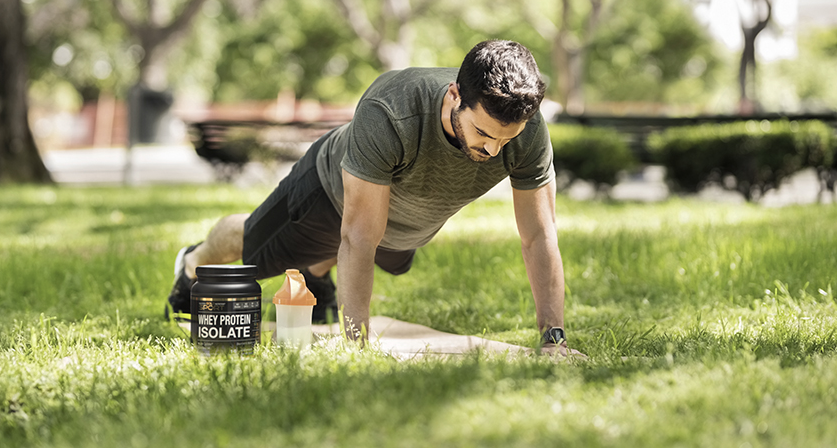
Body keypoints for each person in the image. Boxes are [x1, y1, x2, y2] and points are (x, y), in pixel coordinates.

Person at [168, 39, 583, 357]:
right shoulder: (391, 110)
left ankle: (317, 274)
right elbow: (358, 237)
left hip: (401, 227)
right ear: (455, 95)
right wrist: (357, 345)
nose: (493, 151)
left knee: (388, 257)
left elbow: (539, 236)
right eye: (483, 134)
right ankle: (192, 260)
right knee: (256, 250)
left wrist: (553, 339)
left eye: (504, 139)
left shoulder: (524, 131)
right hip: (328, 193)